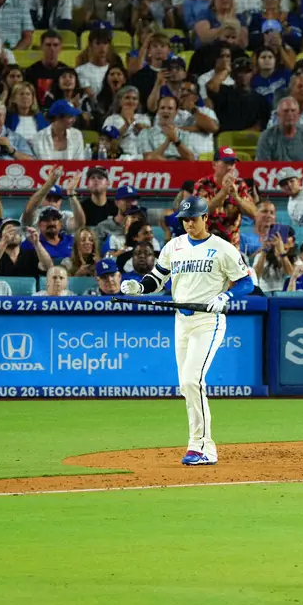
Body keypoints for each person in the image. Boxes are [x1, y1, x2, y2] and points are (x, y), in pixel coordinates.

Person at [119, 196, 253, 465]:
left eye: (193, 218)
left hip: (208, 321)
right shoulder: (174, 246)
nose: (188, 223)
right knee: (186, 384)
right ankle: (197, 443)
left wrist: (226, 297)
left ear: (205, 218)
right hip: (182, 320)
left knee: (193, 380)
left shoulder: (222, 248)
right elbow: (157, 279)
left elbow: (246, 283)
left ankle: (204, 447)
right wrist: (139, 287)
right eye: (185, 219)